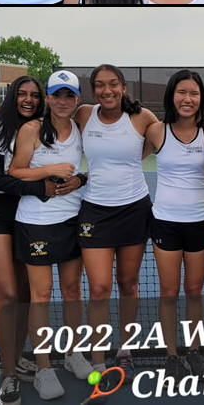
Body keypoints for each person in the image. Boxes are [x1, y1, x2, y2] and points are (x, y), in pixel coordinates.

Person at [9, 70, 92, 400]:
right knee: (40, 295)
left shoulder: (80, 128)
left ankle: (73, 354)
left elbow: (96, 161)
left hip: (72, 219)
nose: (62, 101)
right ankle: (44, 368)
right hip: (36, 222)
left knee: (73, 290)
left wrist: (81, 178)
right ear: (48, 98)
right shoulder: (31, 129)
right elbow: (15, 170)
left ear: (76, 100)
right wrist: (50, 169)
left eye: (69, 95)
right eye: (57, 94)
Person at [73, 65, 158, 380]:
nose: (106, 91)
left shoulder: (143, 118)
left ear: (123, 87)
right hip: (94, 211)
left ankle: (125, 349)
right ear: (93, 90)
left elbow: (162, 139)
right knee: (98, 288)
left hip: (134, 209)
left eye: (112, 84)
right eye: (99, 85)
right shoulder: (83, 114)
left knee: (128, 284)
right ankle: (97, 359)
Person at [0, 75, 56, 405]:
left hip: (26, 213)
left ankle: (20, 355)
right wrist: (36, 188)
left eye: (34, 95)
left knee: (25, 292)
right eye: (22, 94)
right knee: (8, 293)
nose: (29, 99)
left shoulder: (43, 127)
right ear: (12, 97)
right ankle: (8, 374)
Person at [143, 70, 204, 382]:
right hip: (165, 223)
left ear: (201, 98)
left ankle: (194, 351)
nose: (188, 99)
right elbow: (129, 158)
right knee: (169, 292)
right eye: (181, 92)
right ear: (172, 95)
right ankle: (171, 354)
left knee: (195, 291)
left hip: (201, 221)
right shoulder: (156, 131)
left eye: (194, 93)